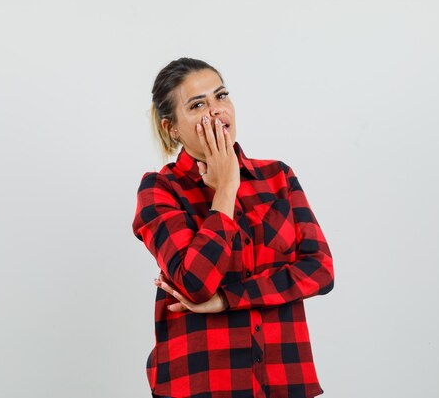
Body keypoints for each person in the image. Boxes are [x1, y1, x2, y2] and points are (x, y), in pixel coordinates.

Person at [132, 57, 335, 398]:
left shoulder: (277, 177)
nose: (215, 111)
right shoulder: (160, 189)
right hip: (202, 385)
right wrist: (226, 188)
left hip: (285, 382)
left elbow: (320, 271)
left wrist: (228, 299)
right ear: (172, 128)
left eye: (221, 96)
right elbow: (194, 283)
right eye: (197, 105)